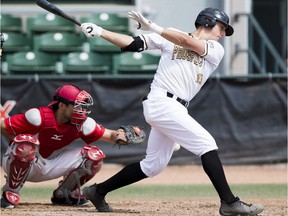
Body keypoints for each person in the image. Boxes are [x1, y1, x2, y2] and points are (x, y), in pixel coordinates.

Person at [80, 8, 264, 216]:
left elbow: (188, 43)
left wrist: (155, 28)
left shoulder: (215, 49)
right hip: (161, 102)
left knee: (152, 166)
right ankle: (229, 202)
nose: (222, 34)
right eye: (221, 28)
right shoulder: (169, 36)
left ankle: (97, 191)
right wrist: (100, 31)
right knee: (206, 144)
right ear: (207, 22)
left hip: (176, 107)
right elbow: (132, 43)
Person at [0, 84, 130, 208]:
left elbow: (110, 135)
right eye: (77, 106)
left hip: (50, 165)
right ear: (62, 105)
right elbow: (2, 125)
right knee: (26, 144)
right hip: (22, 163)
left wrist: (123, 135)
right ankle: (11, 191)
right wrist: (19, 142)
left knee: (94, 156)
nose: (82, 111)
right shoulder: (38, 117)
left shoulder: (82, 124)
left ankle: (64, 194)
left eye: (82, 107)